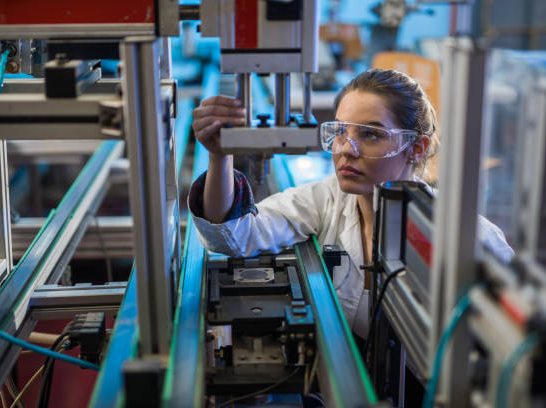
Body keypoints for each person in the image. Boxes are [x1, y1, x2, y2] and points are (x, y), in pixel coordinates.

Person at [188, 69, 513, 338]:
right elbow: (234, 235)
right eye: (341, 132)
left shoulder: (473, 240)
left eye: (370, 134)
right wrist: (220, 156)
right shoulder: (326, 199)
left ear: (416, 147)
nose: (346, 149)